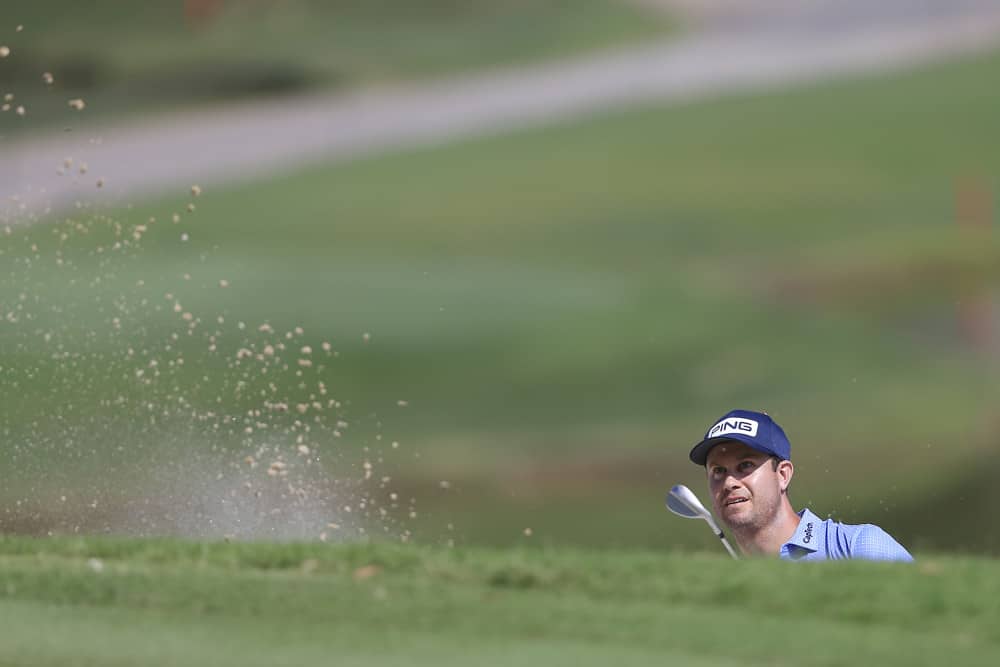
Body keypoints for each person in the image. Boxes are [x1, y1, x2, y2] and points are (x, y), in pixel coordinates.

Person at [688, 409, 913, 561]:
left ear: (783, 475)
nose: (729, 482)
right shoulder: (721, 586)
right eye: (718, 471)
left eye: (745, 465)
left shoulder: (857, 546)